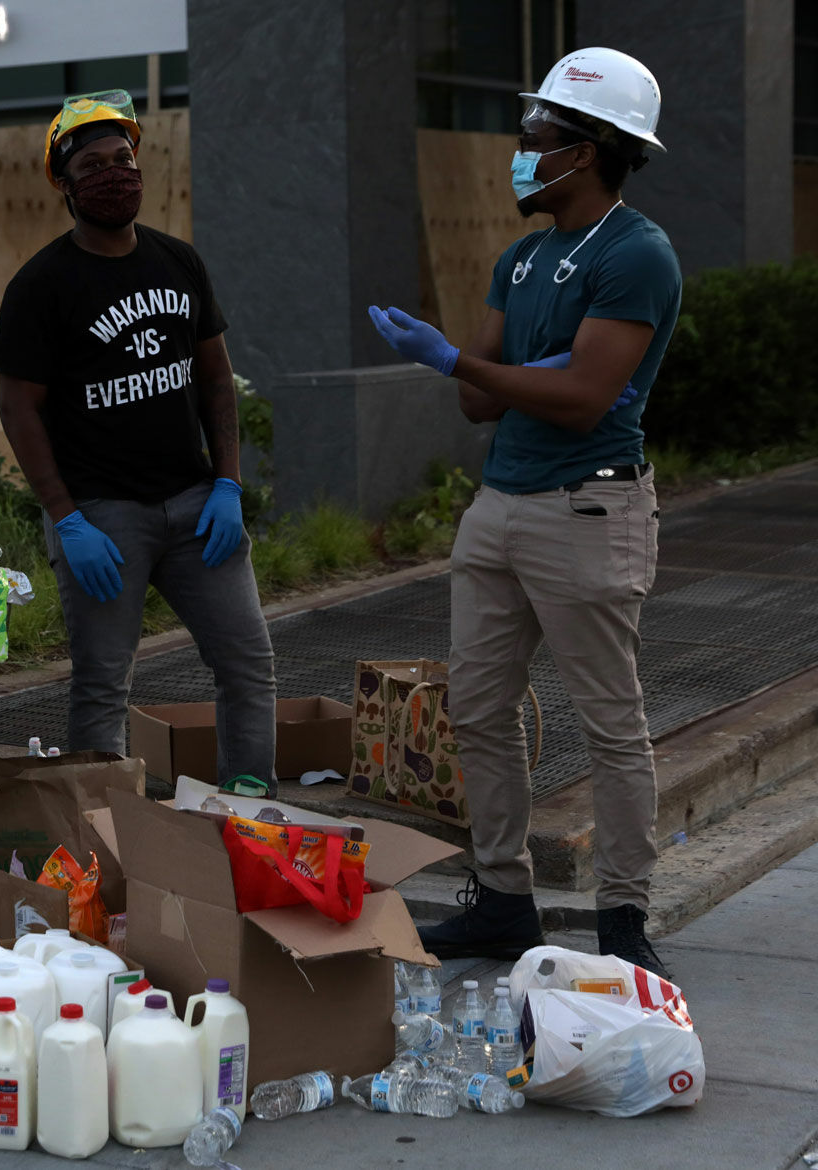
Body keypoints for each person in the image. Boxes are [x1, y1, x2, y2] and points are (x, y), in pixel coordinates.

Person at [367, 48, 681, 978]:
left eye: (535, 134)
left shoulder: (635, 253)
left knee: (610, 721)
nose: (520, 150)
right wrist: (495, 370)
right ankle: (504, 901)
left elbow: (581, 400)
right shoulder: (524, 256)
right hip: (499, 506)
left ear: (584, 151)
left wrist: (467, 361)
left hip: (588, 507)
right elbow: (480, 401)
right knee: (478, 710)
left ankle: (623, 918)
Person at [0, 90, 276, 789]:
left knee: (247, 664)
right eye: (93, 165)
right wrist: (67, 520)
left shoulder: (179, 262)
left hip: (196, 505)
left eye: (123, 158)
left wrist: (229, 483)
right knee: (101, 685)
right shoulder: (41, 286)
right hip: (102, 518)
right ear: (65, 184)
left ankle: (250, 812)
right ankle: (104, 832)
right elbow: (18, 409)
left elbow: (216, 380)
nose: (114, 174)